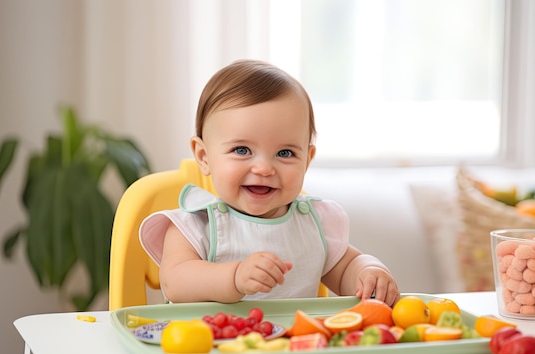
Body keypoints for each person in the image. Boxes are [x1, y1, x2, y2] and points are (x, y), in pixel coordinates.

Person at [139, 59, 400, 306]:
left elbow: (344, 272)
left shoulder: (312, 224)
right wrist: (235, 277)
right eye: (242, 150)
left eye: (285, 153)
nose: (264, 168)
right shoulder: (195, 224)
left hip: (294, 348)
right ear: (204, 157)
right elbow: (175, 282)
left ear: (306, 160)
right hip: (209, 348)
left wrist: (369, 271)